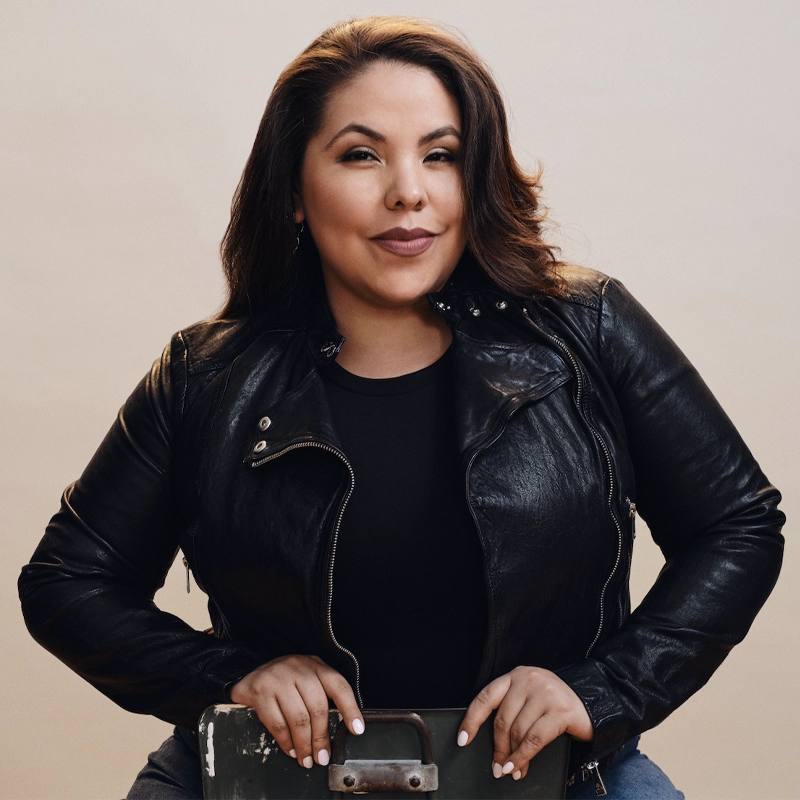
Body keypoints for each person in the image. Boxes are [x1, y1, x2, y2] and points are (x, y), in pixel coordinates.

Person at [18, 16, 784, 800]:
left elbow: (737, 523)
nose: (408, 191)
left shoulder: (587, 327)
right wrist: (230, 676)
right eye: (362, 154)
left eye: (440, 155)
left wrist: (606, 689)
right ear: (293, 190)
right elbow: (66, 581)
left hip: (552, 775)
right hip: (268, 777)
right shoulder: (206, 378)